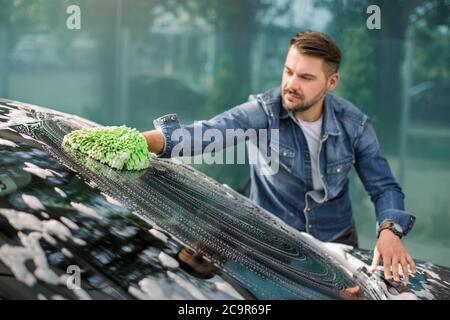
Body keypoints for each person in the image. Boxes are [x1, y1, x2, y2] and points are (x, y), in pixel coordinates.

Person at [140, 30, 416, 283]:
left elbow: (384, 187)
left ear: (331, 82)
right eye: (288, 71)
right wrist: (136, 141)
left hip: (336, 245)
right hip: (272, 244)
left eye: (306, 77)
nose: (291, 84)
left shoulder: (354, 125)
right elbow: (204, 133)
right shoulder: (264, 112)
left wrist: (389, 230)